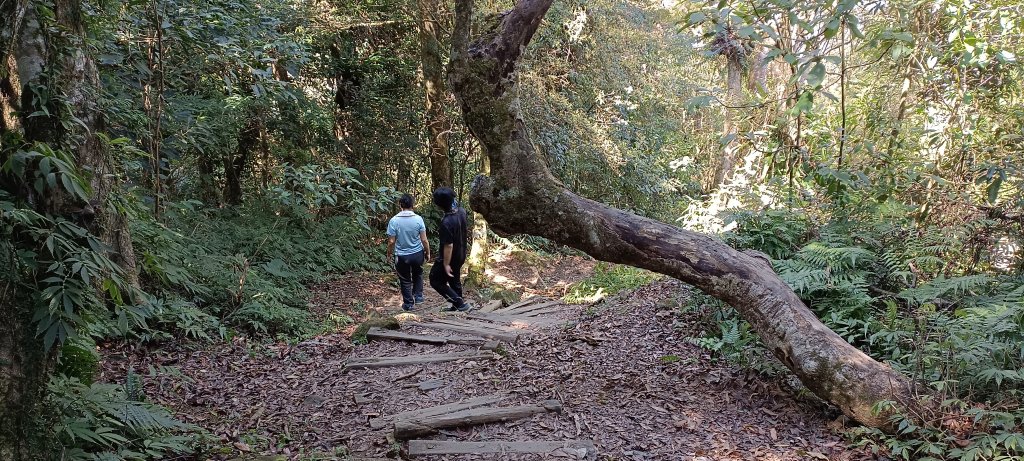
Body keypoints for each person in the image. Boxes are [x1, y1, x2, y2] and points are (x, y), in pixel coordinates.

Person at [428, 187, 473, 312]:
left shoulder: (446, 222)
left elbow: (449, 245)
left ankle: (459, 303)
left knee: (435, 280)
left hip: (450, 256)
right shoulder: (462, 212)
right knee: (454, 279)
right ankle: (458, 305)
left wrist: (446, 264)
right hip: (461, 253)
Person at [386, 194, 430, 311]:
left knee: (405, 279)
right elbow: (424, 240)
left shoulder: (394, 221)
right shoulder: (418, 219)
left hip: (401, 255)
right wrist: (427, 252)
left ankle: (409, 304)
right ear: (412, 205)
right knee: (418, 273)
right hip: (417, 253)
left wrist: (389, 254)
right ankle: (419, 296)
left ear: (400, 205)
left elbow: (391, 241)